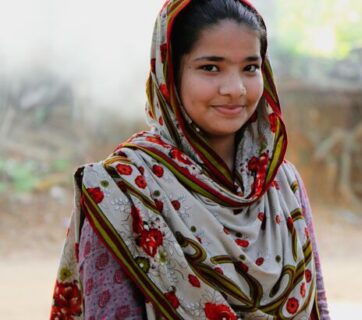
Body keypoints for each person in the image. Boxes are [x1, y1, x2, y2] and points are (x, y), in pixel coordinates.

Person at [50, 0, 330, 319]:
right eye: (211, 67)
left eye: (250, 67)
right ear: (170, 72)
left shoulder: (282, 185)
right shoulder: (123, 193)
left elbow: (317, 306)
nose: (235, 88)